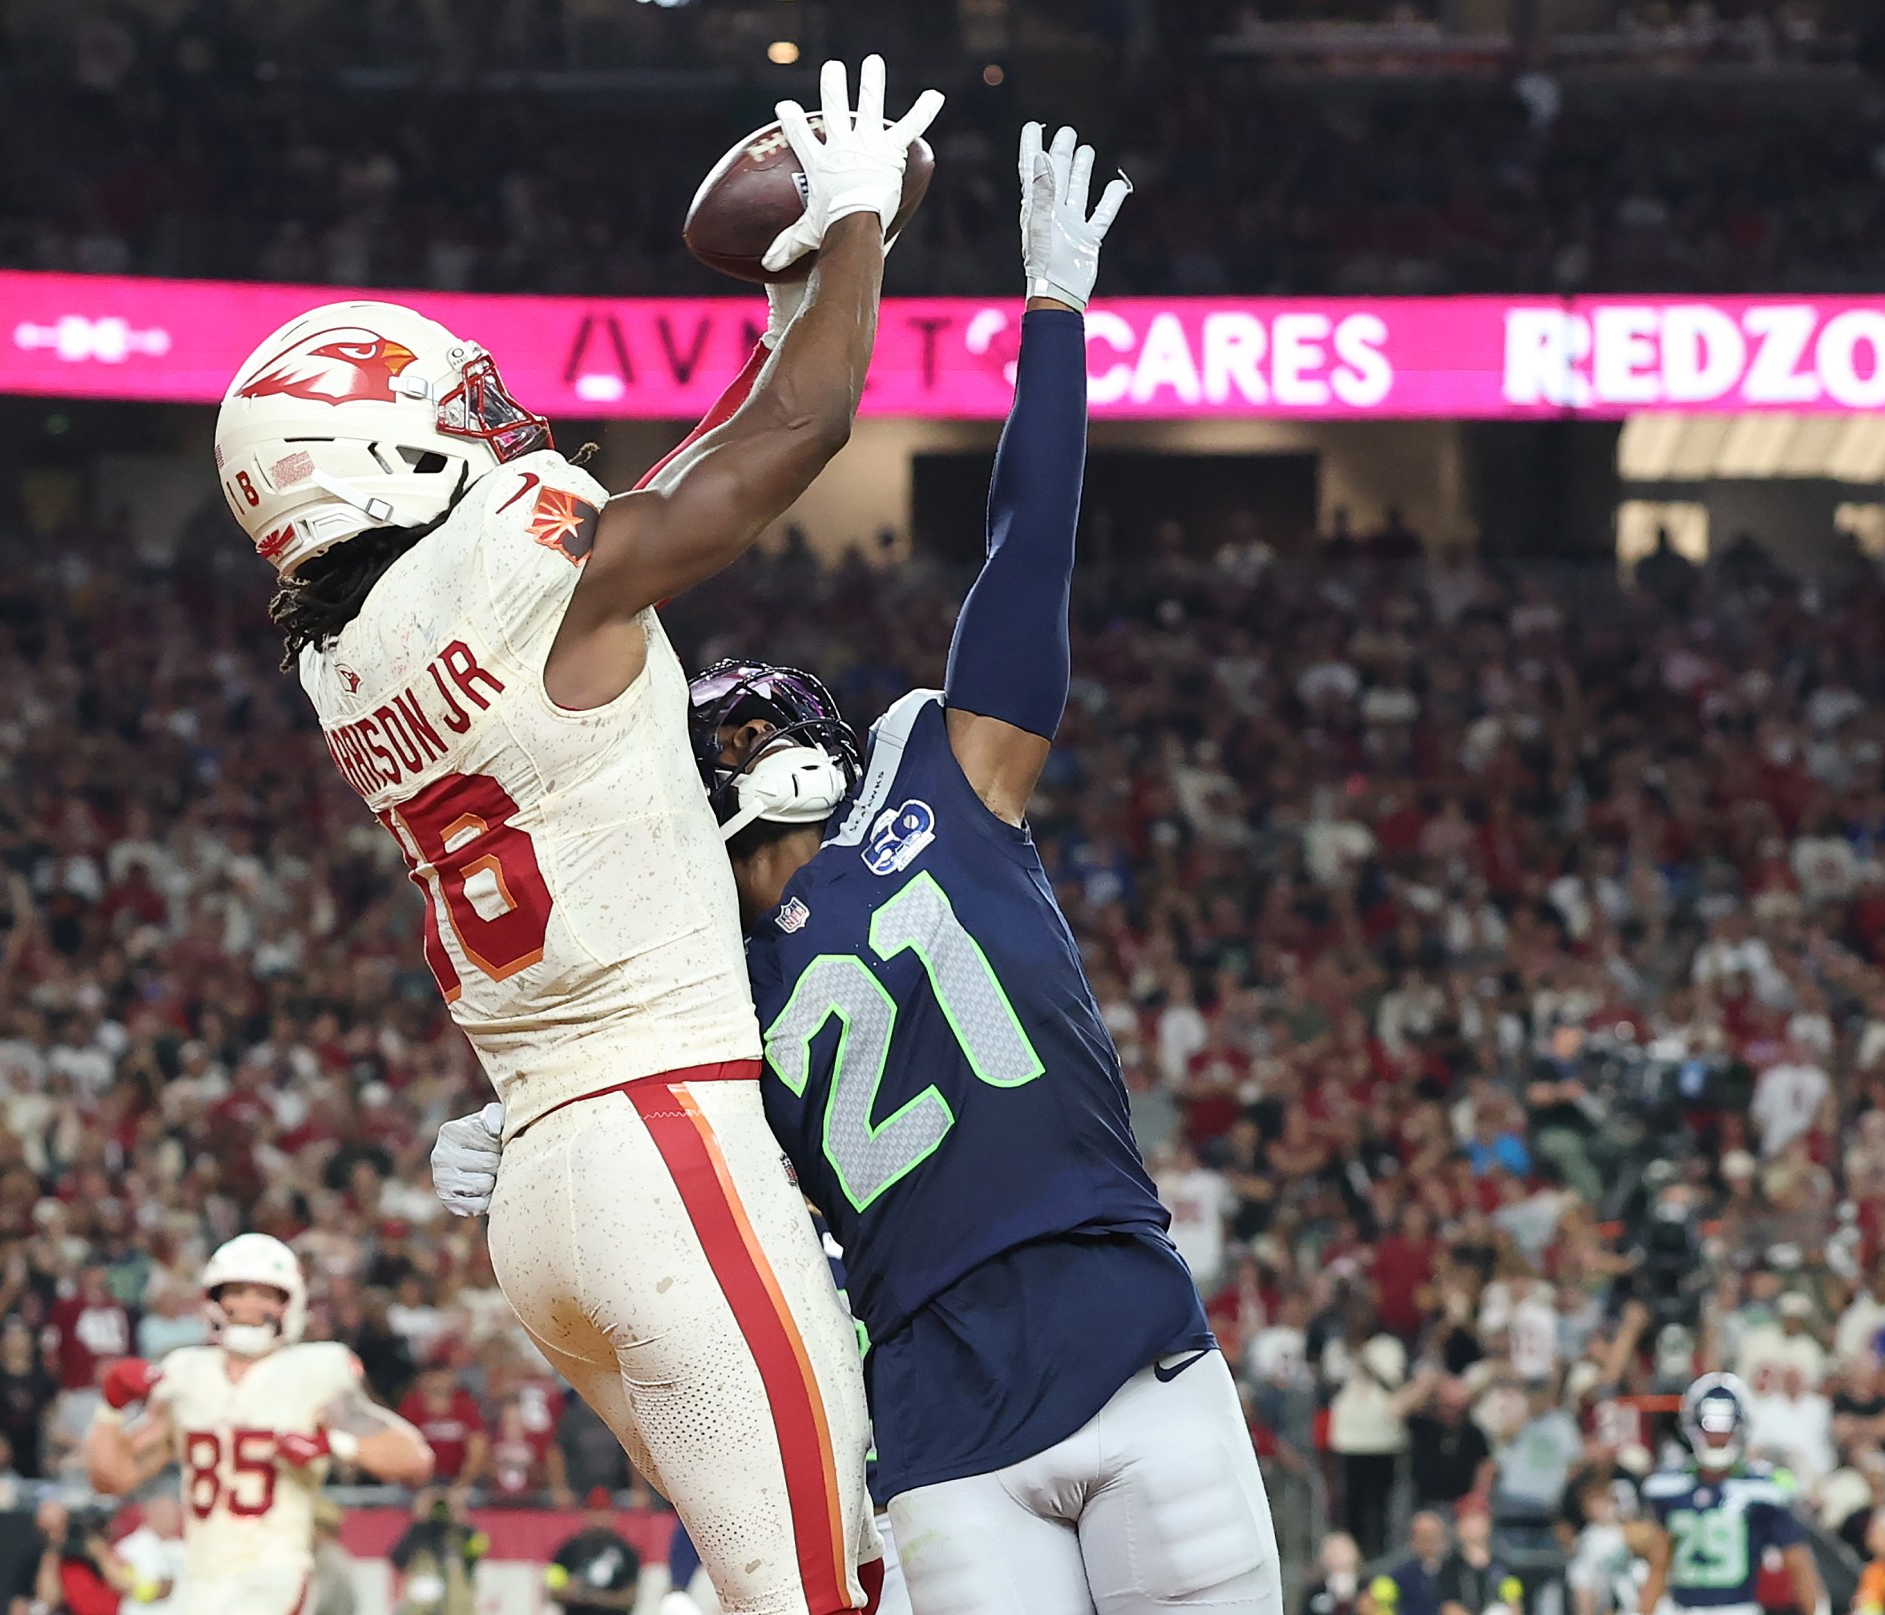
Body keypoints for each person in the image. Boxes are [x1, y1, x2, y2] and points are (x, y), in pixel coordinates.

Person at [434, 124, 1281, 1615]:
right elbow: (1028, 549)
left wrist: (1054, 313)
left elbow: (1031, 550)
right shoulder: (851, 867)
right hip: (1026, 1370)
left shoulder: (790, 907)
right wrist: (521, 1127)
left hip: (1031, 1369)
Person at [216, 54, 939, 1615]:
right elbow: (785, 441)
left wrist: (788, 288)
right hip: (663, 1143)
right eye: (450, 408)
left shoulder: (341, 654)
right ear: (392, 457)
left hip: (539, 1182)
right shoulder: (500, 553)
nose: (493, 418)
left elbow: (703, 463)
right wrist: (857, 231)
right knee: (838, 1594)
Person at [84, 1234, 435, 1615]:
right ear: (213, 1299)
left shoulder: (317, 1370)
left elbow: (415, 1460)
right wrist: (110, 1408)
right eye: (235, 1291)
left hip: (275, 1574)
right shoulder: (185, 1374)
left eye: (264, 1293)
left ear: (291, 1302)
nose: (247, 1305)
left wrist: (333, 1443)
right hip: (201, 1577)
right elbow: (112, 1478)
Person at [1636, 1375, 1824, 1615]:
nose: (1717, 1436)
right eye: (1710, 1423)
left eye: (1724, 1424)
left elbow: (1799, 1565)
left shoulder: (1762, 1490)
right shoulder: (1668, 1486)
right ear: (1693, 1423)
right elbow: (1659, 1565)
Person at [544, 1492, 642, 1615]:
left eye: (603, 1512)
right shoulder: (567, 1549)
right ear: (585, 1515)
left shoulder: (627, 1552)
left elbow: (630, 1598)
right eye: (595, 1512)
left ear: (613, 1515)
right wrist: (571, 1591)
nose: (598, 1520)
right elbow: (552, 1589)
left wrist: (596, 1597)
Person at [114, 1494, 186, 1615]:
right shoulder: (129, 1548)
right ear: (149, 1514)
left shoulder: (183, 1548)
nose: (170, 1519)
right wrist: (161, 1588)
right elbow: (130, 1587)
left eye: (174, 1514)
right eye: (163, 1514)